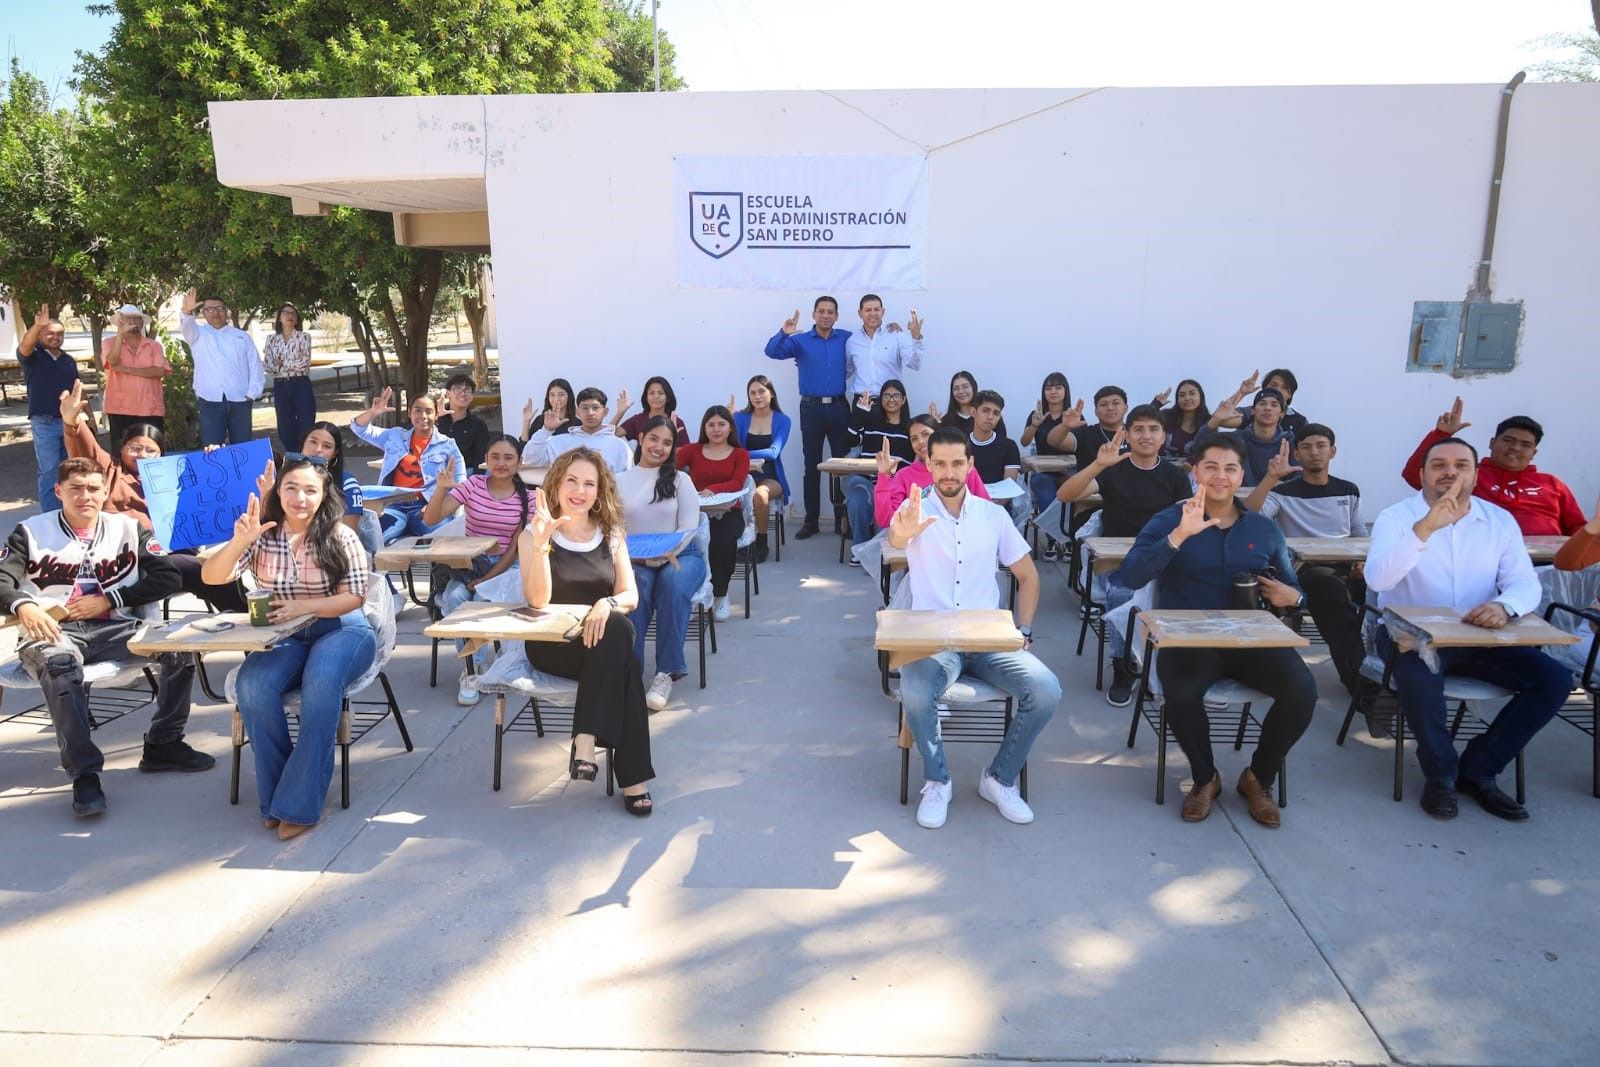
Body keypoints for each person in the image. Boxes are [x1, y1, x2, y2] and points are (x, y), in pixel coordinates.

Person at [1365, 436, 1572, 821]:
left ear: (1476, 474)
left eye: (1460, 465)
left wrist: (1503, 605)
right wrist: (1424, 529)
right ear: (1423, 474)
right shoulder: (1397, 518)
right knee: (1421, 680)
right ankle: (1441, 775)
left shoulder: (1498, 521)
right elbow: (1378, 579)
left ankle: (1480, 769)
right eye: (1439, 465)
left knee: (1555, 680)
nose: (1450, 472)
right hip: (1411, 635)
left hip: (1481, 635)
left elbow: (1525, 583)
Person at [1118, 435, 1317, 827]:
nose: (1221, 476)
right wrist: (1179, 537)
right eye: (1211, 467)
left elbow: (1296, 589)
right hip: (1190, 641)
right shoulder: (1169, 520)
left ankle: (1259, 777)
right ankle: (1204, 777)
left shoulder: (1262, 529)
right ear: (1195, 472)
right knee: (1181, 692)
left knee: (1303, 690)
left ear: (1242, 474)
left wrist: (1292, 597)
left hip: (1251, 639)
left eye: (1230, 469)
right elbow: (1129, 575)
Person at [0, 457, 212, 817]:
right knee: (62, 666)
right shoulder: (31, 531)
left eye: (94, 488)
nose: (86, 496)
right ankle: (85, 774)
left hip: (116, 627)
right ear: (59, 491)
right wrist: (24, 606)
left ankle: (164, 743)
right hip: (53, 631)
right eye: (76, 489)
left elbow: (168, 577)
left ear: (104, 491)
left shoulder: (128, 528)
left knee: (178, 650)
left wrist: (111, 598)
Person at [890, 427, 1059, 829]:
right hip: (934, 640)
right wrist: (905, 531)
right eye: (940, 463)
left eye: (956, 463)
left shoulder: (993, 515)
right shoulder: (913, 511)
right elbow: (897, 537)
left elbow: (1029, 576)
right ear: (928, 465)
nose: (948, 472)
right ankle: (937, 780)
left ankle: (999, 779)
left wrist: (1026, 630)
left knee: (1046, 689)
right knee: (914, 690)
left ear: (970, 465)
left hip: (988, 639)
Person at [203, 460, 377, 840]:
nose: (300, 498)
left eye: (310, 490)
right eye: (292, 488)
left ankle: (298, 804)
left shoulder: (339, 535)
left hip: (343, 630)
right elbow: (211, 577)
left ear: (323, 495)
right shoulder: (263, 535)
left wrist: (306, 606)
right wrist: (239, 542)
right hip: (286, 637)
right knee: (252, 686)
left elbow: (354, 597)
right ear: (277, 492)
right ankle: (281, 793)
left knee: (321, 683)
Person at [517, 448, 655, 815]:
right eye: (572, 481)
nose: (580, 490)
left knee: (617, 630)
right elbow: (538, 599)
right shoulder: (532, 534)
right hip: (553, 645)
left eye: (589, 483)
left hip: (602, 645)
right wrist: (542, 542)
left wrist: (604, 605)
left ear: (600, 490)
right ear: (557, 485)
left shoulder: (611, 533)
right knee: (624, 652)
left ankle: (585, 741)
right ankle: (633, 780)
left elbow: (630, 595)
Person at [58, 381, 249, 612]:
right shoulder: (110, 471)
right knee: (197, 570)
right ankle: (250, 616)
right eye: (135, 448)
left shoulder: (174, 476)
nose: (142, 455)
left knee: (223, 569)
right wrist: (72, 422)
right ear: (122, 449)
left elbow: (217, 492)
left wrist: (215, 461)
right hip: (134, 557)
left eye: (151, 450)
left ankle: (252, 623)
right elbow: (85, 448)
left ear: (161, 454)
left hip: (178, 552)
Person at [1056, 405, 1194, 706]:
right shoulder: (1113, 470)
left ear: (1163, 436)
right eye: (1139, 429)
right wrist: (1097, 465)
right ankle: (1125, 665)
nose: (1146, 436)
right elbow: (1065, 495)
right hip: (1118, 561)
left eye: (1153, 429)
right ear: (1127, 435)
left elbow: (1188, 520)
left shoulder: (1174, 476)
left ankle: (1181, 664)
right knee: (1122, 596)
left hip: (1163, 558)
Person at [1243, 425, 1367, 703]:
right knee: (1334, 598)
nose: (1315, 452)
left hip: (1348, 566)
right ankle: (1363, 685)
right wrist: (1270, 479)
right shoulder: (1283, 492)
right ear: (1296, 453)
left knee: (1388, 589)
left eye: (1321, 446)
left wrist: (1362, 561)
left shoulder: (1348, 490)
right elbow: (1249, 516)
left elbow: (1359, 532)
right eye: (1307, 447)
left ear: (1332, 451)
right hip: (1305, 570)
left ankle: (1393, 671)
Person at [422, 434, 531, 705]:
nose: (501, 463)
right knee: (456, 599)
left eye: (508, 458)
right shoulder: (472, 485)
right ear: (485, 459)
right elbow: (430, 518)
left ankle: (474, 666)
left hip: (505, 569)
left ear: (519, 462)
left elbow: (514, 550)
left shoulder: (528, 498)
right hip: (469, 565)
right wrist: (441, 489)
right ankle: (473, 669)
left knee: (482, 601)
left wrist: (486, 579)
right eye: (495, 457)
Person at [617, 416, 709, 711]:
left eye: (667, 443)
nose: (659, 447)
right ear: (641, 438)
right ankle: (630, 673)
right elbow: (613, 528)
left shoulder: (681, 480)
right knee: (638, 587)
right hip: (636, 558)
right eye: (654, 439)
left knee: (671, 583)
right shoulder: (619, 481)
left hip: (681, 556)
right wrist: (644, 558)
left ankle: (665, 673)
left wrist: (663, 554)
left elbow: (687, 528)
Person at [1400, 397, 1585, 536]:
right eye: (1508, 440)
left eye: (1525, 445)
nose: (1515, 448)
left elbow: (1578, 529)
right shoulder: (1468, 474)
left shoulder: (1552, 484)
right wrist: (1441, 434)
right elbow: (1414, 477)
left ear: (1534, 453)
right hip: (1478, 559)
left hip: (1545, 564)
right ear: (1492, 443)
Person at [765, 297, 853, 540]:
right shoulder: (800, 341)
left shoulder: (846, 338)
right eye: (821, 311)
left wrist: (892, 329)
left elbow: (870, 341)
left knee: (840, 467)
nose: (825, 315)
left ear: (837, 315)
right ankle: (811, 520)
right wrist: (784, 332)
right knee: (811, 465)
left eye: (830, 312)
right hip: (811, 409)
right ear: (814, 314)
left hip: (839, 408)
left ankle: (840, 520)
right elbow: (771, 352)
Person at [350, 387, 468, 545]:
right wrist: (373, 412)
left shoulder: (448, 445)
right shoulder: (395, 436)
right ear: (409, 413)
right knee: (372, 541)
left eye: (428, 411)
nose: (423, 416)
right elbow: (359, 428)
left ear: (436, 414)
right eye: (417, 411)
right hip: (393, 506)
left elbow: (460, 484)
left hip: (427, 508)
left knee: (448, 542)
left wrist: (436, 507)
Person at [678, 406, 750, 622]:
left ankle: (720, 594)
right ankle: (692, 595)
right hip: (695, 512)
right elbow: (669, 472)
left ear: (730, 428)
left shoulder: (740, 454)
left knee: (721, 542)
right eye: (711, 424)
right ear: (704, 428)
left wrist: (713, 490)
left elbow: (737, 482)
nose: (716, 429)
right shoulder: (692, 450)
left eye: (721, 424)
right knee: (686, 545)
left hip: (728, 512)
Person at [16, 303, 80, 510]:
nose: (55, 337)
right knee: (50, 470)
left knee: (70, 468)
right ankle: (50, 515)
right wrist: (36, 326)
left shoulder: (68, 361)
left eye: (60, 333)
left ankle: (67, 510)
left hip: (69, 422)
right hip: (44, 422)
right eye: (50, 333)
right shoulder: (33, 357)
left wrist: (89, 417)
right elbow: (24, 347)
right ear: (41, 335)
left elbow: (78, 389)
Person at [180, 287, 263, 447]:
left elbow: (255, 366)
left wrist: (251, 394)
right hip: (210, 399)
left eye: (219, 308)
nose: (215, 312)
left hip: (240, 399)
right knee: (212, 448)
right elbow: (187, 325)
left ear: (227, 312)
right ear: (203, 313)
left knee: (242, 447)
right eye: (209, 309)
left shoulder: (241, 336)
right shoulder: (197, 334)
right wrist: (186, 311)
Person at [874, 414, 992, 525]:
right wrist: (884, 475)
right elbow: (887, 520)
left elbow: (986, 509)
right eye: (914, 439)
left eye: (926, 434)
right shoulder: (904, 476)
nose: (920, 442)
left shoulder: (962, 468)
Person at [843, 379, 914, 554]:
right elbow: (850, 440)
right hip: (864, 478)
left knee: (891, 503)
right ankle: (860, 549)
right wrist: (859, 414)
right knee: (858, 499)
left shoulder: (910, 430)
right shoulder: (870, 423)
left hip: (894, 484)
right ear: (880, 399)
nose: (891, 399)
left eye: (896, 395)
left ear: (903, 400)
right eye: (887, 395)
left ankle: (879, 550)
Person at [733, 374, 791, 563]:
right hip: (742, 473)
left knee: (760, 495)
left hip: (770, 475)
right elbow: (730, 447)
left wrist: (744, 455)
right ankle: (740, 541)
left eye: (761, 391)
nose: (757, 396)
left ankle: (761, 542)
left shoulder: (783, 420)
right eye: (752, 393)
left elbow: (774, 452)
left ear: (771, 394)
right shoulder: (740, 418)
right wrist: (727, 422)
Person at [296, 421, 378, 555]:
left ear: (335, 453)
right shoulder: (285, 479)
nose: (318, 450)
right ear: (302, 443)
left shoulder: (347, 483)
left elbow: (346, 536)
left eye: (327, 446)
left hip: (334, 555)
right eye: (312, 442)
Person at [100, 303, 171, 442]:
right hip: (120, 408)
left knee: (152, 450)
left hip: (150, 408)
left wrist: (125, 369)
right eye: (128, 318)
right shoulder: (109, 343)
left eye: (136, 318)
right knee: (121, 453)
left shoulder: (154, 346)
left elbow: (159, 371)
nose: (132, 322)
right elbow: (112, 362)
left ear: (141, 322)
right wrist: (120, 335)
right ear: (120, 322)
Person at [521, 386, 634, 472]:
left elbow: (626, 482)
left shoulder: (619, 446)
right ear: (577, 412)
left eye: (595, 408)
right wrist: (546, 430)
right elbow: (531, 461)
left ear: (605, 411)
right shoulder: (558, 441)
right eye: (585, 408)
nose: (590, 413)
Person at [967, 390, 1029, 533]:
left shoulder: (1008, 446)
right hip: (964, 508)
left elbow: (1008, 486)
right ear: (973, 412)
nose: (990, 417)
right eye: (986, 411)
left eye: (996, 413)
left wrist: (989, 508)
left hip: (997, 509)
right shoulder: (960, 444)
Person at [1209, 386, 1293, 487]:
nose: (1267, 408)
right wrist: (1240, 393)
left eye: (1274, 405)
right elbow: (1199, 445)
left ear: (1282, 413)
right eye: (1262, 403)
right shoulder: (1236, 439)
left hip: (1278, 499)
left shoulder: (1290, 441)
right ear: (1252, 410)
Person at [845, 295, 923, 398]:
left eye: (876, 309)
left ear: (883, 312)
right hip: (861, 403)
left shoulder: (897, 335)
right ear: (860, 313)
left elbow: (914, 364)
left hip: (890, 402)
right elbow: (847, 371)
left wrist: (916, 337)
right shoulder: (852, 341)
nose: (873, 313)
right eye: (868, 310)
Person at [262, 302, 315, 451]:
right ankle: (292, 456)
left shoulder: (304, 337)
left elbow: (304, 363)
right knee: (285, 426)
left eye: (293, 313)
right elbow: (268, 366)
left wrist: (280, 363)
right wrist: (282, 364)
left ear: (297, 319)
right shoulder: (271, 339)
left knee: (306, 423)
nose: (289, 316)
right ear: (279, 317)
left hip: (301, 384)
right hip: (280, 385)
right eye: (286, 313)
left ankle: (306, 456)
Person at [1020, 372, 1073, 520]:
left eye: (1058, 387)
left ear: (1065, 391)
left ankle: (1069, 535)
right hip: (1043, 471)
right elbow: (1024, 441)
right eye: (1048, 388)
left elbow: (1081, 446)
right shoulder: (1036, 414)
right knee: (1042, 483)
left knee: (1079, 489)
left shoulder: (1074, 416)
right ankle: (1053, 540)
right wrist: (1034, 425)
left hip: (1070, 471)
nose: (1053, 392)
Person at [1047, 385, 1125, 473]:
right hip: (1092, 486)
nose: (1110, 408)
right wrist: (1065, 426)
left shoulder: (1136, 434)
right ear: (1096, 411)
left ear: (1126, 408)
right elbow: (1053, 441)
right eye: (1103, 404)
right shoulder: (1086, 433)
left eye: (1115, 403)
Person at [436, 372, 491, 471]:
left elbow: (481, 459)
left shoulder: (478, 425)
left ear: (472, 397)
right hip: (434, 472)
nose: (463, 394)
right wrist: (435, 419)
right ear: (448, 394)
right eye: (457, 389)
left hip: (465, 474)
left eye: (467, 390)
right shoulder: (435, 420)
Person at [611, 376, 689, 446]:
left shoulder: (676, 422)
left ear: (667, 397)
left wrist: (672, 439)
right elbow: (608, 435)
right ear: (646, 397)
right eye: (651, 393)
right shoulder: (638, 420)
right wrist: (620, 413)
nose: (656, 396)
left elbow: (685, 453)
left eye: (661, 393)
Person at [934, 370, 1008, 439]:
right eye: (956, 388)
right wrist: (934, 425)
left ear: (973, 387)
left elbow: (1002, 443)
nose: (961, 391)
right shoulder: (946, 421)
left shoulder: (990, 416)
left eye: (965, 387)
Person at [1157, 378, 1210, 463]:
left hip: (1191, 472)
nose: (1187, 398)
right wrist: (1156, 405)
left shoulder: (1209, 422)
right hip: (1160, 468)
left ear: (1201, 396)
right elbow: (1143, 421)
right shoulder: (1166, 416)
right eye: (1182, 395)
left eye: (1192, 393)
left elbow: (1208, 452)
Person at [520, 378, 579, 442]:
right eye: (552, 395)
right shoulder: (540, 421)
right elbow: (525, 449)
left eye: (561, 394)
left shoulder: (577, 423)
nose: (556, 399)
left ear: (569, 396)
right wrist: (526, 421)